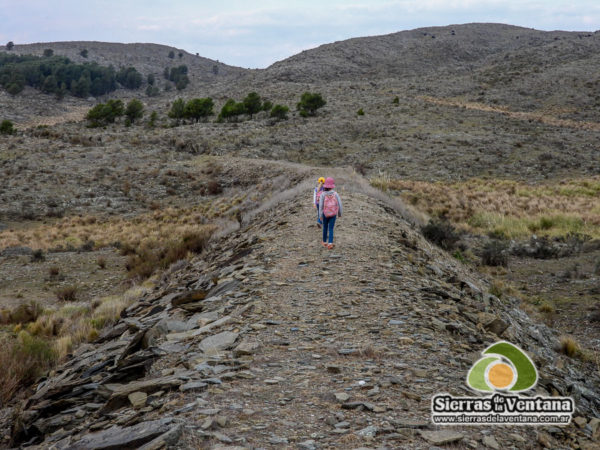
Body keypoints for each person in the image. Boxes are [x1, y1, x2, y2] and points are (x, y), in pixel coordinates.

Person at [319, 177, 342, 249]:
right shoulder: (336, 194)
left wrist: (320, 215)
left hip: (325, 214)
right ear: (332, 186)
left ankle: (324, 242)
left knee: (325, 227)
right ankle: (330, 243)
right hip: (333, 214)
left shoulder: (323, 194)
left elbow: (321, 205)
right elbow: (340, 204)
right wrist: (339, 213)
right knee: (331, 228)